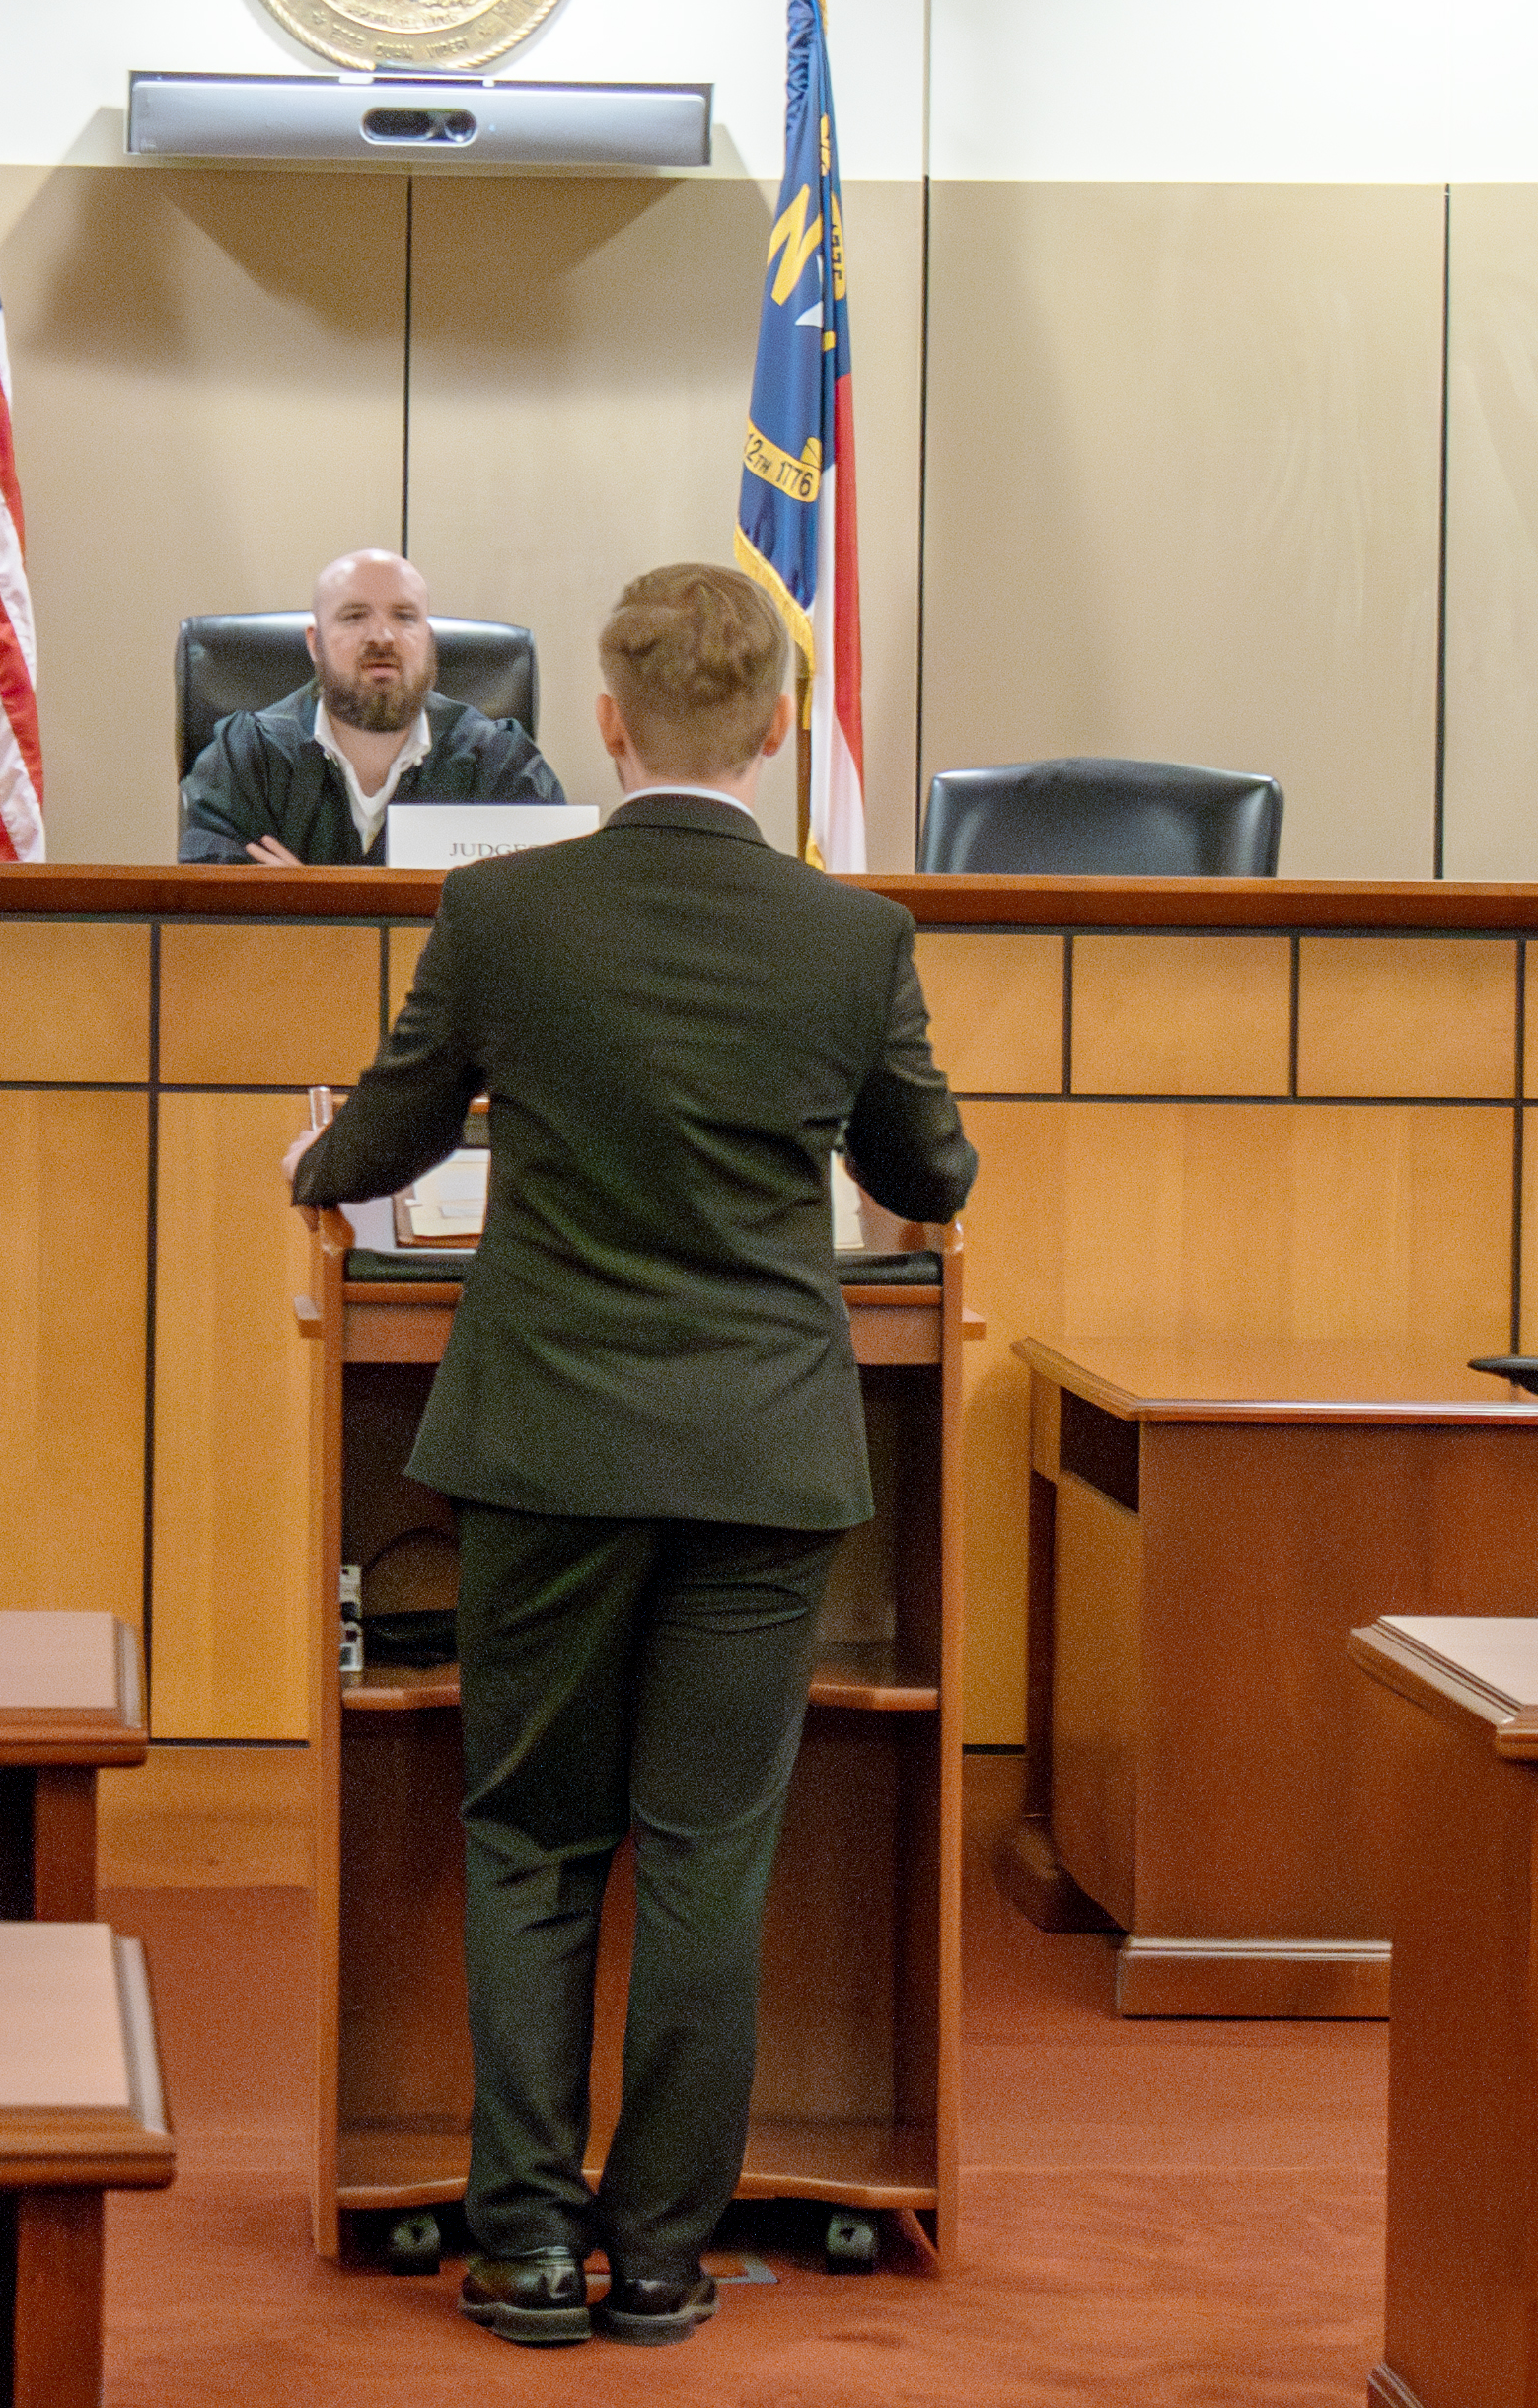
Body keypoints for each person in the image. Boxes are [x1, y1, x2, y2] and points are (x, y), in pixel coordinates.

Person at [288, 561, 977, 2346]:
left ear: (601, 719)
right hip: (760, 1457)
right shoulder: (854, 937)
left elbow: (378, 1134)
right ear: (772, 729)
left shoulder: (502, 913)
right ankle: (660, 2251)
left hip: (549, 1444)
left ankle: (518, 2240)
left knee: (528, 1834)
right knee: (704, 1853)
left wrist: (315, 1152)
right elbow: (931, 1180)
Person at [180, 547, 563, 864]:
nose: (381, 636)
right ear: (315, 643)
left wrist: (303, 900)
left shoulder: (500, 762)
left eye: (405, 617)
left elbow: (547, 907)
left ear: (428, 641)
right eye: (354, 616)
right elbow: (211, 923)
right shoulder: (246, 756)